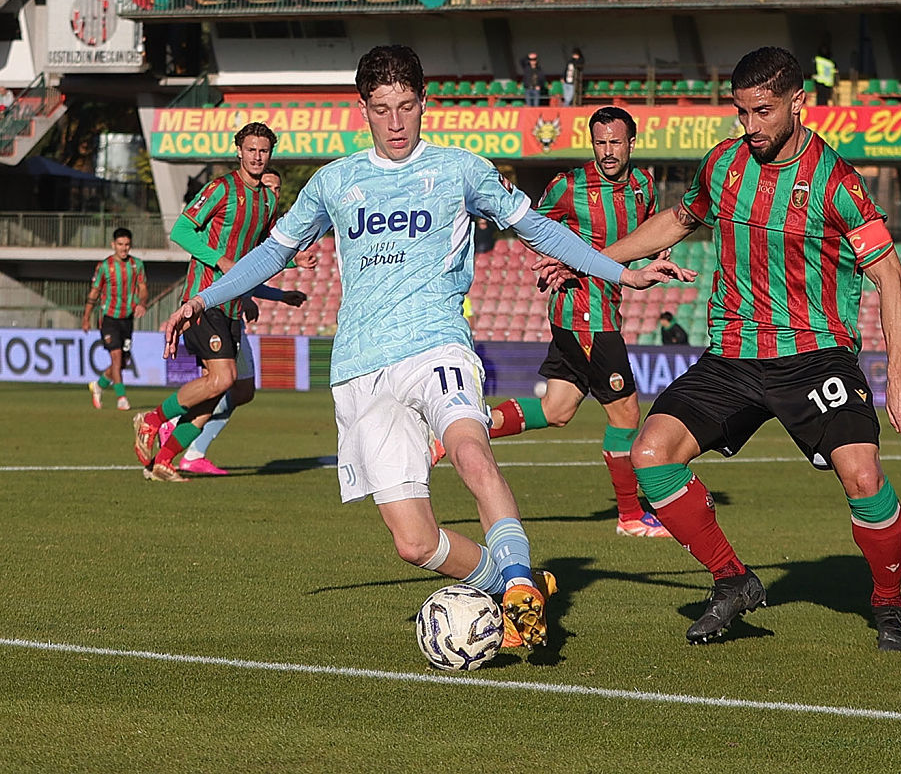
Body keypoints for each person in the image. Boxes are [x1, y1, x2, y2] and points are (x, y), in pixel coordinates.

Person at [150, 45, 691, 651]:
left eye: (407, 106)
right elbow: (272, 253)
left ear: (424, 103)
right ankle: (519, 587)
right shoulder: (334, 181)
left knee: (470, 454)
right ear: (365, 110)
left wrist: (620, 273)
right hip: (359, 368)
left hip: (436, 346)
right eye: (382, 109)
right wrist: (205, 297)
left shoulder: (462, 169)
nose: (397, 121)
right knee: (414, 542)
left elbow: (538, 228)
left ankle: (515, 586)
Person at [537, 46, 901, 650]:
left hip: (815, 356)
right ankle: (733, 581)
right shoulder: (725, 164)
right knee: (651, 453)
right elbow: (677, 218)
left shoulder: (837, 182)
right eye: (741, 113)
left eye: (764, 112)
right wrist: (591, 261)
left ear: (799, 104)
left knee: (861, 474)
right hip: (733, 354)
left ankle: (887, 604)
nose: (750, 127)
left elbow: (890, 274)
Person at [453, 107, 671, 537]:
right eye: (600, 142)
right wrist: (550, 261)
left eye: (615, 142)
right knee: (626, 416)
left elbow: (643, 238)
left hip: (606, 306)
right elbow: (532, 228)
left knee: (556, 409)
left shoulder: (644, 186)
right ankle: (629, 516)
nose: (607, 151)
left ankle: (455, 433)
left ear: (631, 142)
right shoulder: (568, 186)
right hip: (583, 313)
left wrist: (659, 257)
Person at [146, 122, 309, 477]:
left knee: (217, 393)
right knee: (224, 380)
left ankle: (163, 460)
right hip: (204, 300)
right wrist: (219, 260)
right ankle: (150, 419)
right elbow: (181, 230)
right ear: (239, 151)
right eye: (250, 149)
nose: (257, 156)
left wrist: (296, 259)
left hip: (233, 307)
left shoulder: (267, 198)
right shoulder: (221, 188)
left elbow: (264, 253)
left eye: (263, 150)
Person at [83, 227, 149, 412]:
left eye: (127, 244)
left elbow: (143, 288)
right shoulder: (104, 266)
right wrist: (86, 317)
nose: (124, 248)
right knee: (117, 356)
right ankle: (121, 397)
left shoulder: (137, 265)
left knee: (123, 361)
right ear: (113, 245)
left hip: (127, 319)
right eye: (120, 244)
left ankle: (99, 385)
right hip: (109, 318)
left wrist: (142, 303)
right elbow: (94, 292)